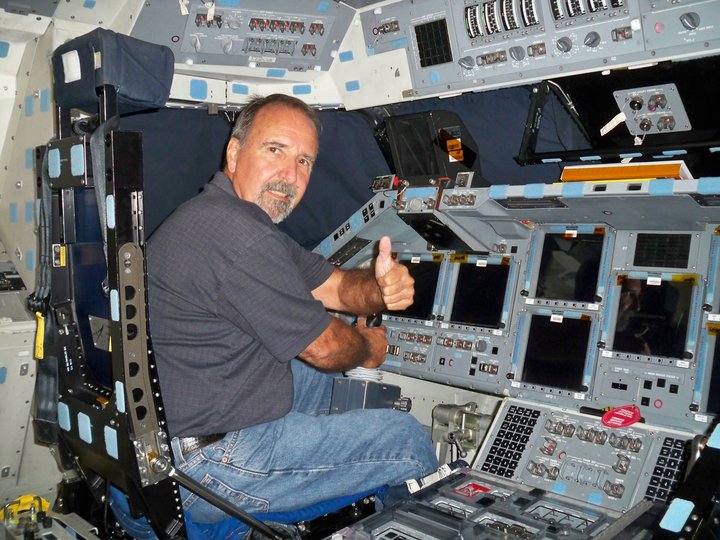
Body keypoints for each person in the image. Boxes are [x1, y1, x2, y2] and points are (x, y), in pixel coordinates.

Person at [146, 93, 438, 524]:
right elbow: (323, 347)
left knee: (321, 384)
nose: (290, 175)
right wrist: (368, 348)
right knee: (406, 440)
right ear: (234, 152)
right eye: (275, 150)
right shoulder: (241, 239)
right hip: (209, 465)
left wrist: (381, 288)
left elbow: (336, 287)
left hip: (187, 425)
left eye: (304, 161)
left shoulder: (224, 215)